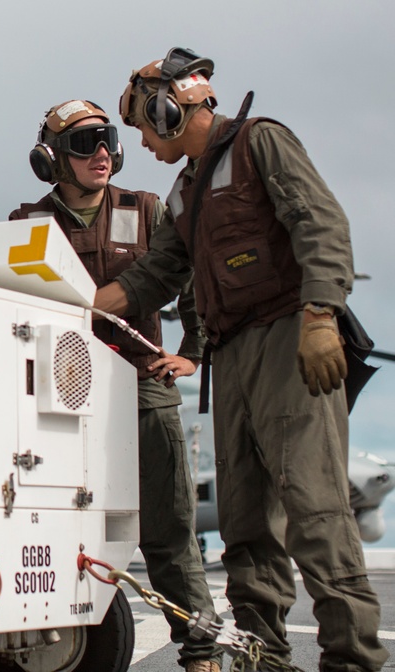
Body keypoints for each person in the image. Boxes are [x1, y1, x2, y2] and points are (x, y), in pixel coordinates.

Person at [96, 48, 388, 672]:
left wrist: (319, 318)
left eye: (144, 126)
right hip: (229, 359)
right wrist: (78, 305)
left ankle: (351, 659)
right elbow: (155, 274)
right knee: (246, 523)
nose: (141, 143)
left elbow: (320, 224)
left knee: (312, 506)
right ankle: (264, 656)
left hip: (289, 341)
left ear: (169, 108)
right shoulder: (185, 193)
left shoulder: (261, 144)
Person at [10, 99, 222, 672]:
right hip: (59, 394)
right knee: (47, 519)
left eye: (106, 139)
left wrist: (191, 353)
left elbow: (193, 276)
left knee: (170, 526)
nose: (101, 152)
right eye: (84, 144)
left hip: (139, 382)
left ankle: (200, 652)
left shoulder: (148, 209)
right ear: (52, 158)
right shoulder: (29, 223)